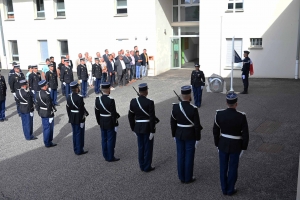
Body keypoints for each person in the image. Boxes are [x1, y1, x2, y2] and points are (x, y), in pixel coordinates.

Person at [213, 92, 249, 195]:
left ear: (226, 103)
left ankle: (224, 189)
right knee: (233, 167)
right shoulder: (241, 116)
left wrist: (217, 144)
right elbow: (245, 134)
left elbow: (215, 131)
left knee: (223, 167)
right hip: (236, 145)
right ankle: (230, 189)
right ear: (236, 104)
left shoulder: (219, 114)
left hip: (223, 143)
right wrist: (244, 148)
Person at [170, 85, 202, 184]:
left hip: (179, 134)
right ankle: (188, 178)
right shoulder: (193, 108)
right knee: (189, 156)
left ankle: (181, 177)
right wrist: (198, 138)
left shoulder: (175, 107)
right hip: (190, 135)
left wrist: (174, 135)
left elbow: (172, 122)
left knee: (180, 155)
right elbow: (197, 125)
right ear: (189, 95)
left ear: (182, 95)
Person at [128, 83, 156, 172]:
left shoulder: (133, 101)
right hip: (147, 127)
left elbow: (130, 116)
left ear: (139, 91)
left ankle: (141, 165)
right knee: (148, 147)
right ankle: (147, 166)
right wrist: (152, 130)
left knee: (141, 147)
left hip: (138, 127)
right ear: (146, 91)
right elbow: (152, 117)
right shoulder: (150, 102)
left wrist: (133, 128)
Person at [95, 82, 120, 161]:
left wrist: (99, 122)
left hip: (102, 120)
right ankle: (110, 156)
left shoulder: (97, 99)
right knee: (110, 139)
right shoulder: (111, 100)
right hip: (110, 121)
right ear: (108, 89)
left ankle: (105, 155)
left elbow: (97, 112)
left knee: (104, 139)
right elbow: (113, 113)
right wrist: (115, 123)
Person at [66, 81, 89, 155]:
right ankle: (79, 150)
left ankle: (76, 148)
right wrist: (82, 119)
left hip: (72, 116)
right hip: (79, 117)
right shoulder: (79, 98)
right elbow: (81, 109)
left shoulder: (69, 96)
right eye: (78, 87)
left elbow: (68, 108)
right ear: (76, 88)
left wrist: (70, 116)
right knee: (79, 134)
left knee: (75, 133)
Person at [36, 80, 57, 148]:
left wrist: (39, 112)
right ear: (44, 86)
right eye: (46, 85)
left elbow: (36, 105)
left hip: (42, 112)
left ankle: (47, 141)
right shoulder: (47, 95)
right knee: (49, 128)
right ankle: (48, 142)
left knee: (45, 128)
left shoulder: (38, 93)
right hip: (48, 113)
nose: (47, 86)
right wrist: (50, 115)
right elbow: (49, 106)